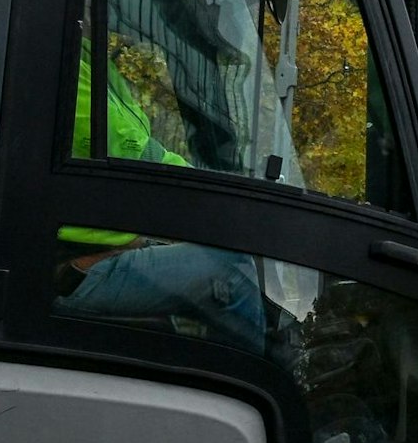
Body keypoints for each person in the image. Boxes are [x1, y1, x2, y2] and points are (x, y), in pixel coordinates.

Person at [56, 44, 263, 353]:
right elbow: (128, 147)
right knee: (230, 269)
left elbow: (140, 144)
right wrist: (213, 199)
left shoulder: (89, 53)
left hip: (111, 245)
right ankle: (268, 381)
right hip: (71, 265)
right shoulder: (54, 52)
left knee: (212, 252)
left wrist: (213, 196)